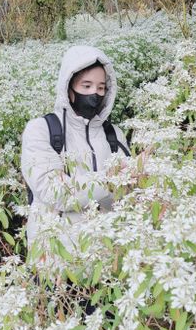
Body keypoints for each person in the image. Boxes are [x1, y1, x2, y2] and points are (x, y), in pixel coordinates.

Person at [21, 45, 131, 250]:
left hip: (106, 258)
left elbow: (129, 192)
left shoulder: (114, 134)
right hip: (56, 260)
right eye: (86, 86)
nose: (94, 94)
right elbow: (53, 190)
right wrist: (112, 179)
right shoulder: (41, 129)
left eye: (100, 88)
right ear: (68, 87)